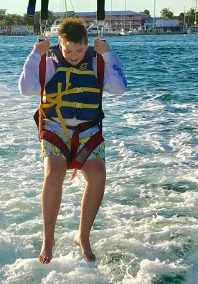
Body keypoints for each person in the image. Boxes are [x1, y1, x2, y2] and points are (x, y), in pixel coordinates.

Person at [19, 17, 126, 263]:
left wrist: (108, 54)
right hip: (55, 129)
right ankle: (48, 238)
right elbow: (26, 89)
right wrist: (35, 54)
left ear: (87, 44)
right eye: (68, 50)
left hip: (89, 132)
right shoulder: (48, 61)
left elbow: (119, 88)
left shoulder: (97, 61)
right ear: (60, 43)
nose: (74, 55)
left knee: (98, 174)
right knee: (54, 172)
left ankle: (83, 235)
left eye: (79, 50)